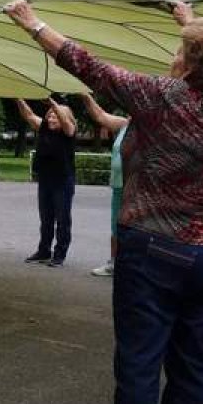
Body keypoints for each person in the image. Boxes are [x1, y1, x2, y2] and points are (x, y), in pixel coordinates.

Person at [4, 0, 203, 404]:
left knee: (140, 359)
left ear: (188, 64)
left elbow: (88, 65)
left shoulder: (162, 97)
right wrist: (189, 21)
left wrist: (32, 23)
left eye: (181, 50)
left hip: (157, 249)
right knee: (192, 357)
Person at [16, 97, 78, 268]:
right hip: (45, 179)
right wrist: (17, 97)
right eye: (49, 116)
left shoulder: (68, 131)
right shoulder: (44, 128)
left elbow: (66, 122)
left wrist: (53, 105)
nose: (51, 119)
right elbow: (28, 115)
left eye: (55, 116)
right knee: (46, 219)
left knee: (62, 219)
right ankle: (44, 251)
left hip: (63, 181)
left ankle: (59, 255)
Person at [80, 94, 130, 278]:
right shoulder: (125, 124)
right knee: (116, 226)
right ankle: (114, 263)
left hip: (136, 187)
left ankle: (131, 266)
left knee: (134, 228)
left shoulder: (148, 128)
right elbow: (100, 115)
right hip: (118, 186)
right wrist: (84, 96)